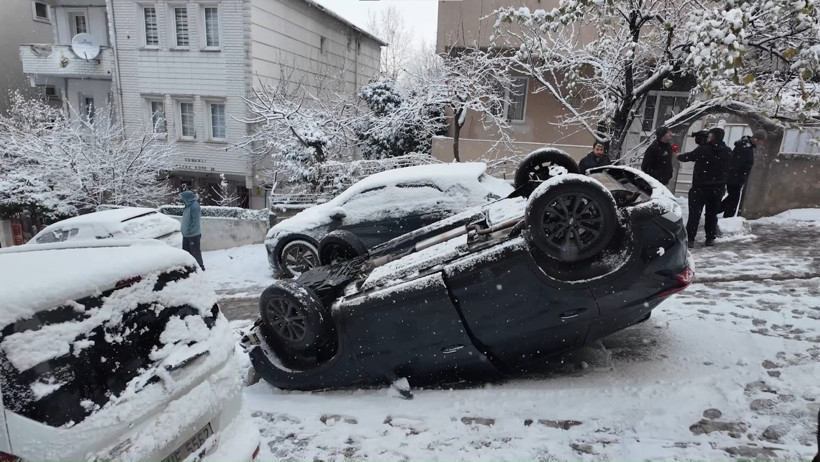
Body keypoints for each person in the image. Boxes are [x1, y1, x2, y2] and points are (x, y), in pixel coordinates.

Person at [675, 127, 731, 248]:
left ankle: (690, 239)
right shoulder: (728, 151)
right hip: (718, 188)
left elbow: (687, 157)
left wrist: (679, 155)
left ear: (711, 136)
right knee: (711, 214)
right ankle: (710, 238)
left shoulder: (703, 149)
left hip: (700, 188)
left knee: (695, 214)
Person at [721, 129, 767, 217]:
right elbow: (737, 164)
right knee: (733, 200)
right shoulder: (744, 147)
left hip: (736, 178)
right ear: (756, 139)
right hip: (735, 179)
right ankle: (721, 214)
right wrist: (739, 178)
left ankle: (719, 213)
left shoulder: (746, 146)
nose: (761, 144)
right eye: (761, 141)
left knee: (732, 199)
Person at [180, 190, 205, 271]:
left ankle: (200, 267)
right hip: (186, 234)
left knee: (195, 252)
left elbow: (196, 221)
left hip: (193, 234)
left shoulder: (194, 206)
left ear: (188, 198)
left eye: (183, 198)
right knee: (186, 252)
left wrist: (189, 230)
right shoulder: (187, 206)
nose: (182, 199)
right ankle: (188, 267)